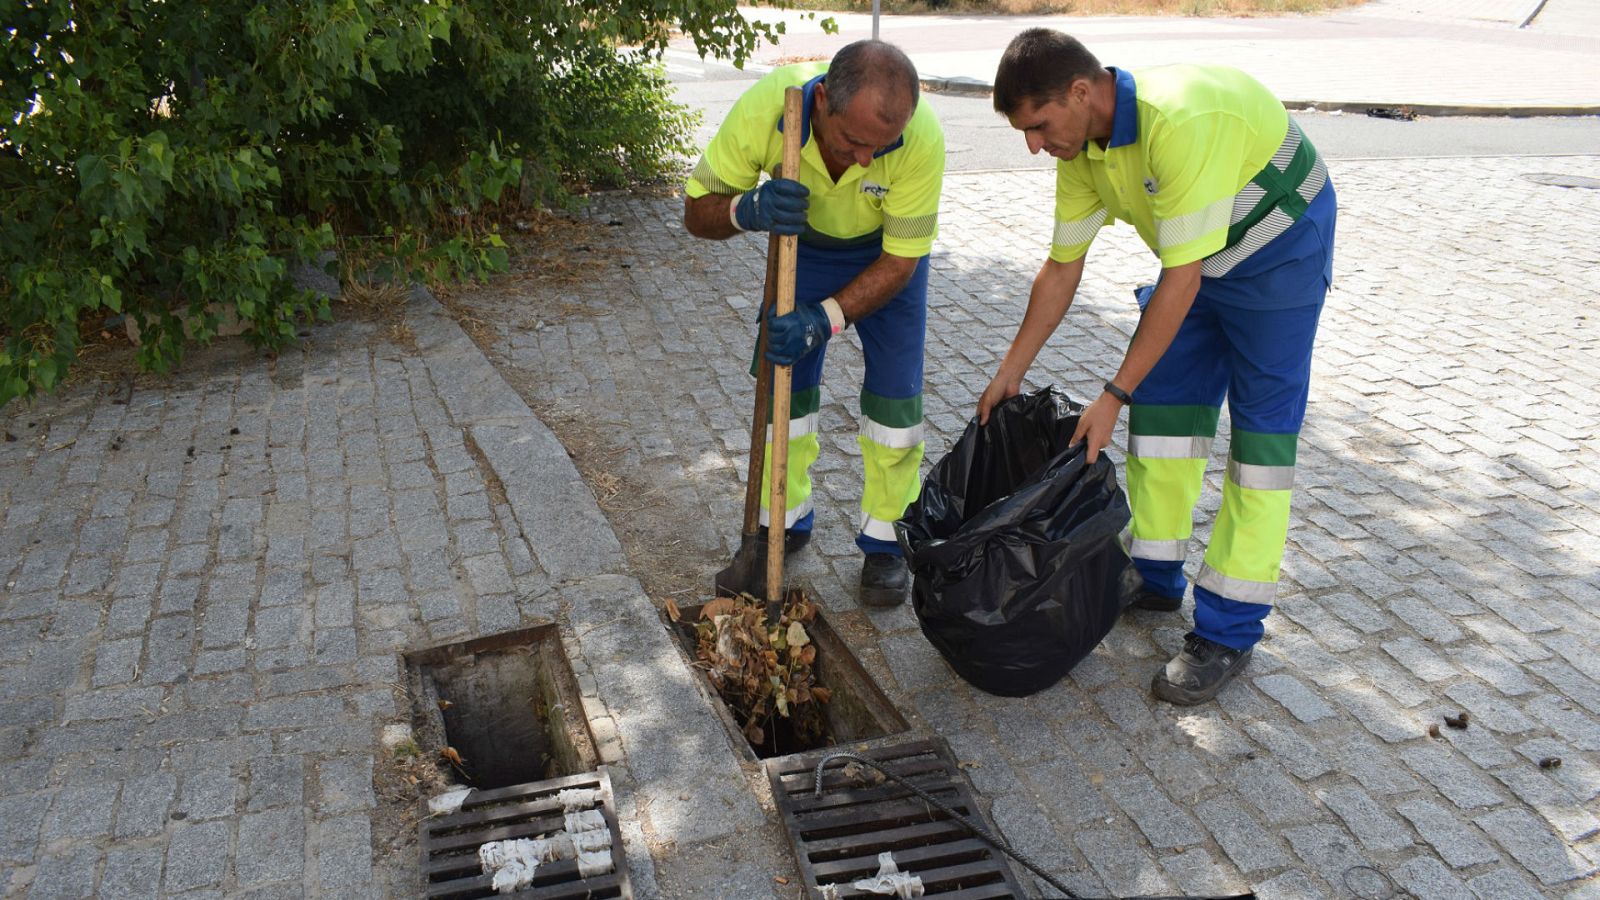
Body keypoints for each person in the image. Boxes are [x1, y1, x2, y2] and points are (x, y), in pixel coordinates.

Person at [977, 29, 1337, 704]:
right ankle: (1155, 572)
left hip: (1279, 246)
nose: (1034, 143)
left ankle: (1227, 632)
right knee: (1166, 412)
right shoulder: (1082, 148)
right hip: (1197, 261)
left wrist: (1111, 393)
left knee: (1260, 445)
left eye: (1039, 124)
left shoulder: (1180, 123)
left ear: (1082, 93)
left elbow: (1181, 279)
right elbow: (1062, 267)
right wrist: (1011, 369)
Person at [683, 40, 945, 607]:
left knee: (896, 406)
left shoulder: (921, 136)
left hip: (885, 259)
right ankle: (781, 520)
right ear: (822, 99)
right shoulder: (767, 111)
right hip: (799, 248)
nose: (867, 161)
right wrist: (744, 210)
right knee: (783, 390)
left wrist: (823, 319)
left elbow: (902, 261)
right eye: (854, 142)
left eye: (882, 147)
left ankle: (886, 543)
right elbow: (695, 209)